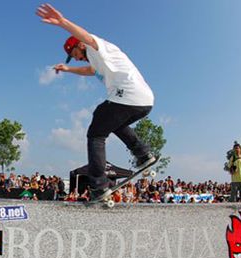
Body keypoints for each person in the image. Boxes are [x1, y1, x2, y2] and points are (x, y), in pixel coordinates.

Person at [36, 3, 157, 201]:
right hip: (142, 101)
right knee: (113, 123)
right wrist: (68, 70)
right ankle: (143, 154)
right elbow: (90, 71)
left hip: (129, 96)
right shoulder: (97, 61)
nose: (77, 59)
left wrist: (62, 22)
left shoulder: (96, 47)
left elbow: (87, 37)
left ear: (79, 46)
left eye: (75, 55)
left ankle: (99, 185)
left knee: (96, 132)